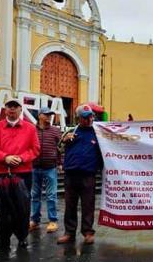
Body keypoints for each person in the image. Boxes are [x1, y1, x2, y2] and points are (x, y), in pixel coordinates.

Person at [0, 98, 40, 250]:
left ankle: (22, 238)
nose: (12, 109)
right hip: (1, 173)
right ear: (5, 109)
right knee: (2, 208)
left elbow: (35, 149)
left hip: (23, 173)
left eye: (15, 107)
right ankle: (3, 240)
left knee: (22, 207)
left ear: (20, 109)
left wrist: (21, 158)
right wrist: (5, 157)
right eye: (9, 106)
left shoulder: (30, 128)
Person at [57, 104, 103, 245]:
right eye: (85, 117)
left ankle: (88, 232)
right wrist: (64, 140)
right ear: (78, 118)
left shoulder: (98, 133)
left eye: (90, 117)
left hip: (88, 175)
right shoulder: (71, 131)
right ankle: (69, 233)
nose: (89, 120)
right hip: (71, 174)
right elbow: (58, 148)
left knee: (88, 205)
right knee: (70, 205)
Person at [29, 107, 62, 233]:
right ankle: (35, 221)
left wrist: (60, 163)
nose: (49, 116)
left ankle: (53, 221)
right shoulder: (31, 130)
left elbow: (60, 148)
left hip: (50, 168)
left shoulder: (56, 131)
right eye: (46, 114)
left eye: (50, 115)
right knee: (34, 195)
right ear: (39, 116)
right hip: (34, 167)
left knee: (52, 195)